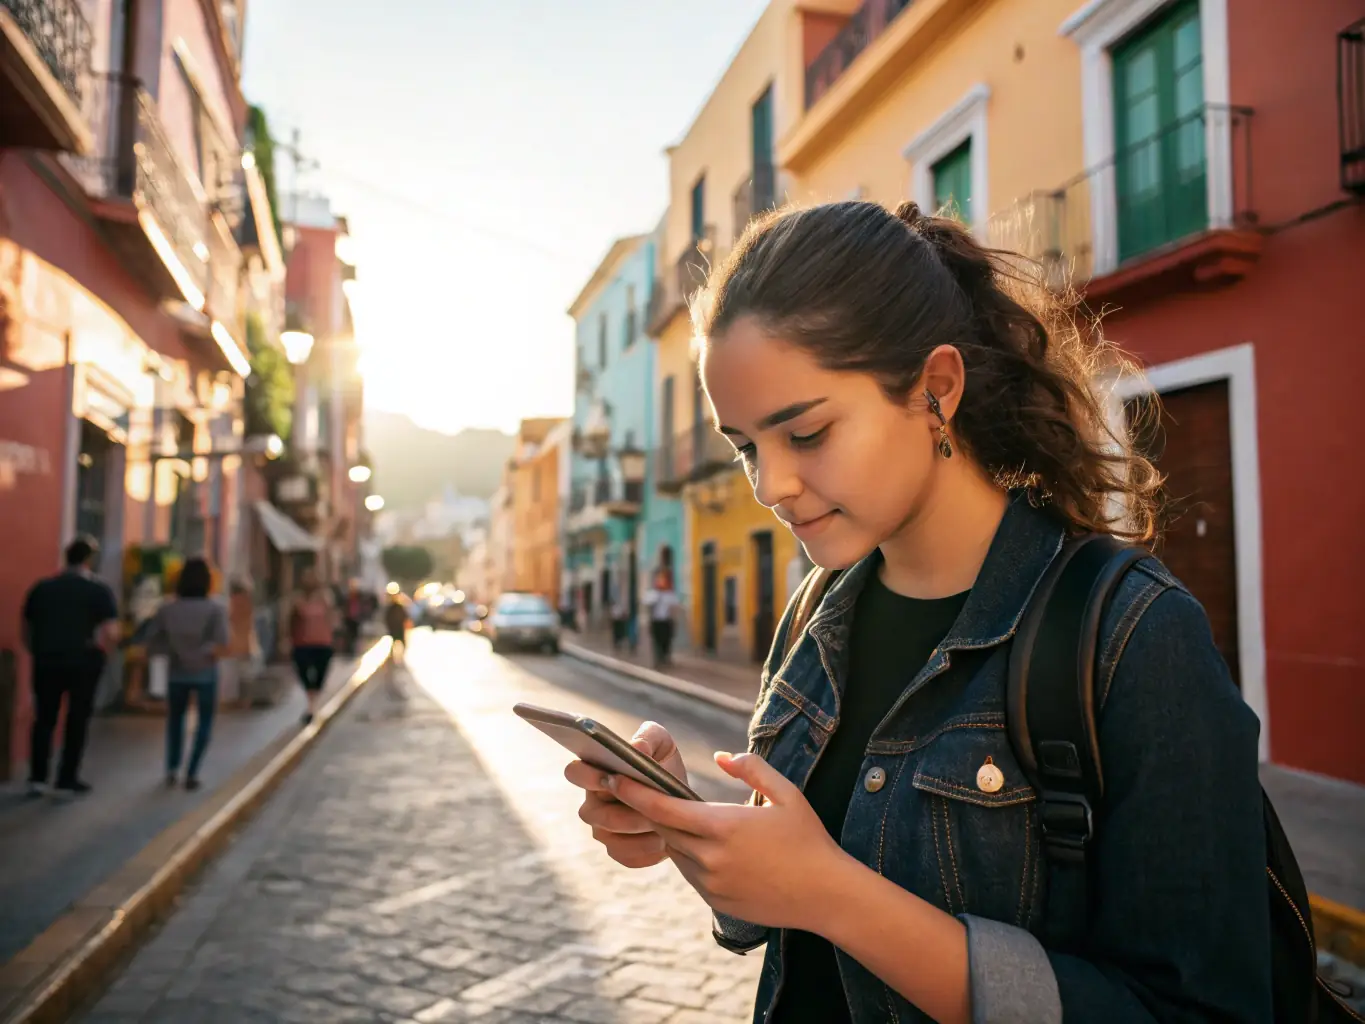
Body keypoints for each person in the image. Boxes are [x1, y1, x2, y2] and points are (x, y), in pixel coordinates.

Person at [564, 202, 1270, 1022]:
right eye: (746, 446)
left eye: (808, 432)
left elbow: (1202, 1010)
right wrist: (686, 825)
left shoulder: (1132, 634)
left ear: (936, 389)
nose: (771, 486)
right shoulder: (817, 613)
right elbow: (777, 904)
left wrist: (834, 896)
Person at [22, 536, 120, 797]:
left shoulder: (42, 588)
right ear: (88, 560)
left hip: (47, 660)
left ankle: (37, 778)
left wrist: (37, 650)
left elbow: (27, 628)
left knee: (44, 718)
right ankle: (66, 779)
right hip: (83, 661)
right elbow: (111, 632)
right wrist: (103, 656)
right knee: (77, 720)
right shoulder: (99, 590)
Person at [145, 558, 229, 790]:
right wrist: (204, 652)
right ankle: (192, 772)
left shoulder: (167, 609)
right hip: (205, 672)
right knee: (204, 723)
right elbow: (223, 641)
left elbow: (154, 642)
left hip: (176, 672)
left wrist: (175, 652)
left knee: (175, 722)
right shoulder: (215, 608)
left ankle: (172, 768)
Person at [289, 567, 336, 725]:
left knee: (319, 675)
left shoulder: (326, 597)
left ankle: (311, 706)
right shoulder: (297, 599)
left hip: (322, 642)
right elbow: (290, 620)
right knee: (304, 674)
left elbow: (331, 618)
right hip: (302, 643)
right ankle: (311, 705)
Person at [642, 568, 677, 669]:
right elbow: (646, 602)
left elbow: (674, 606)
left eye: (663, 579)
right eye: (659, 579)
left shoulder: (669, 594)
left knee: (666, 641)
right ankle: (658, 660)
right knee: (656, 641)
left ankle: (665, 658)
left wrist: (673, 619)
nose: (661, 582)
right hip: (656, 621)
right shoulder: (653, 593)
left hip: (666, 621)